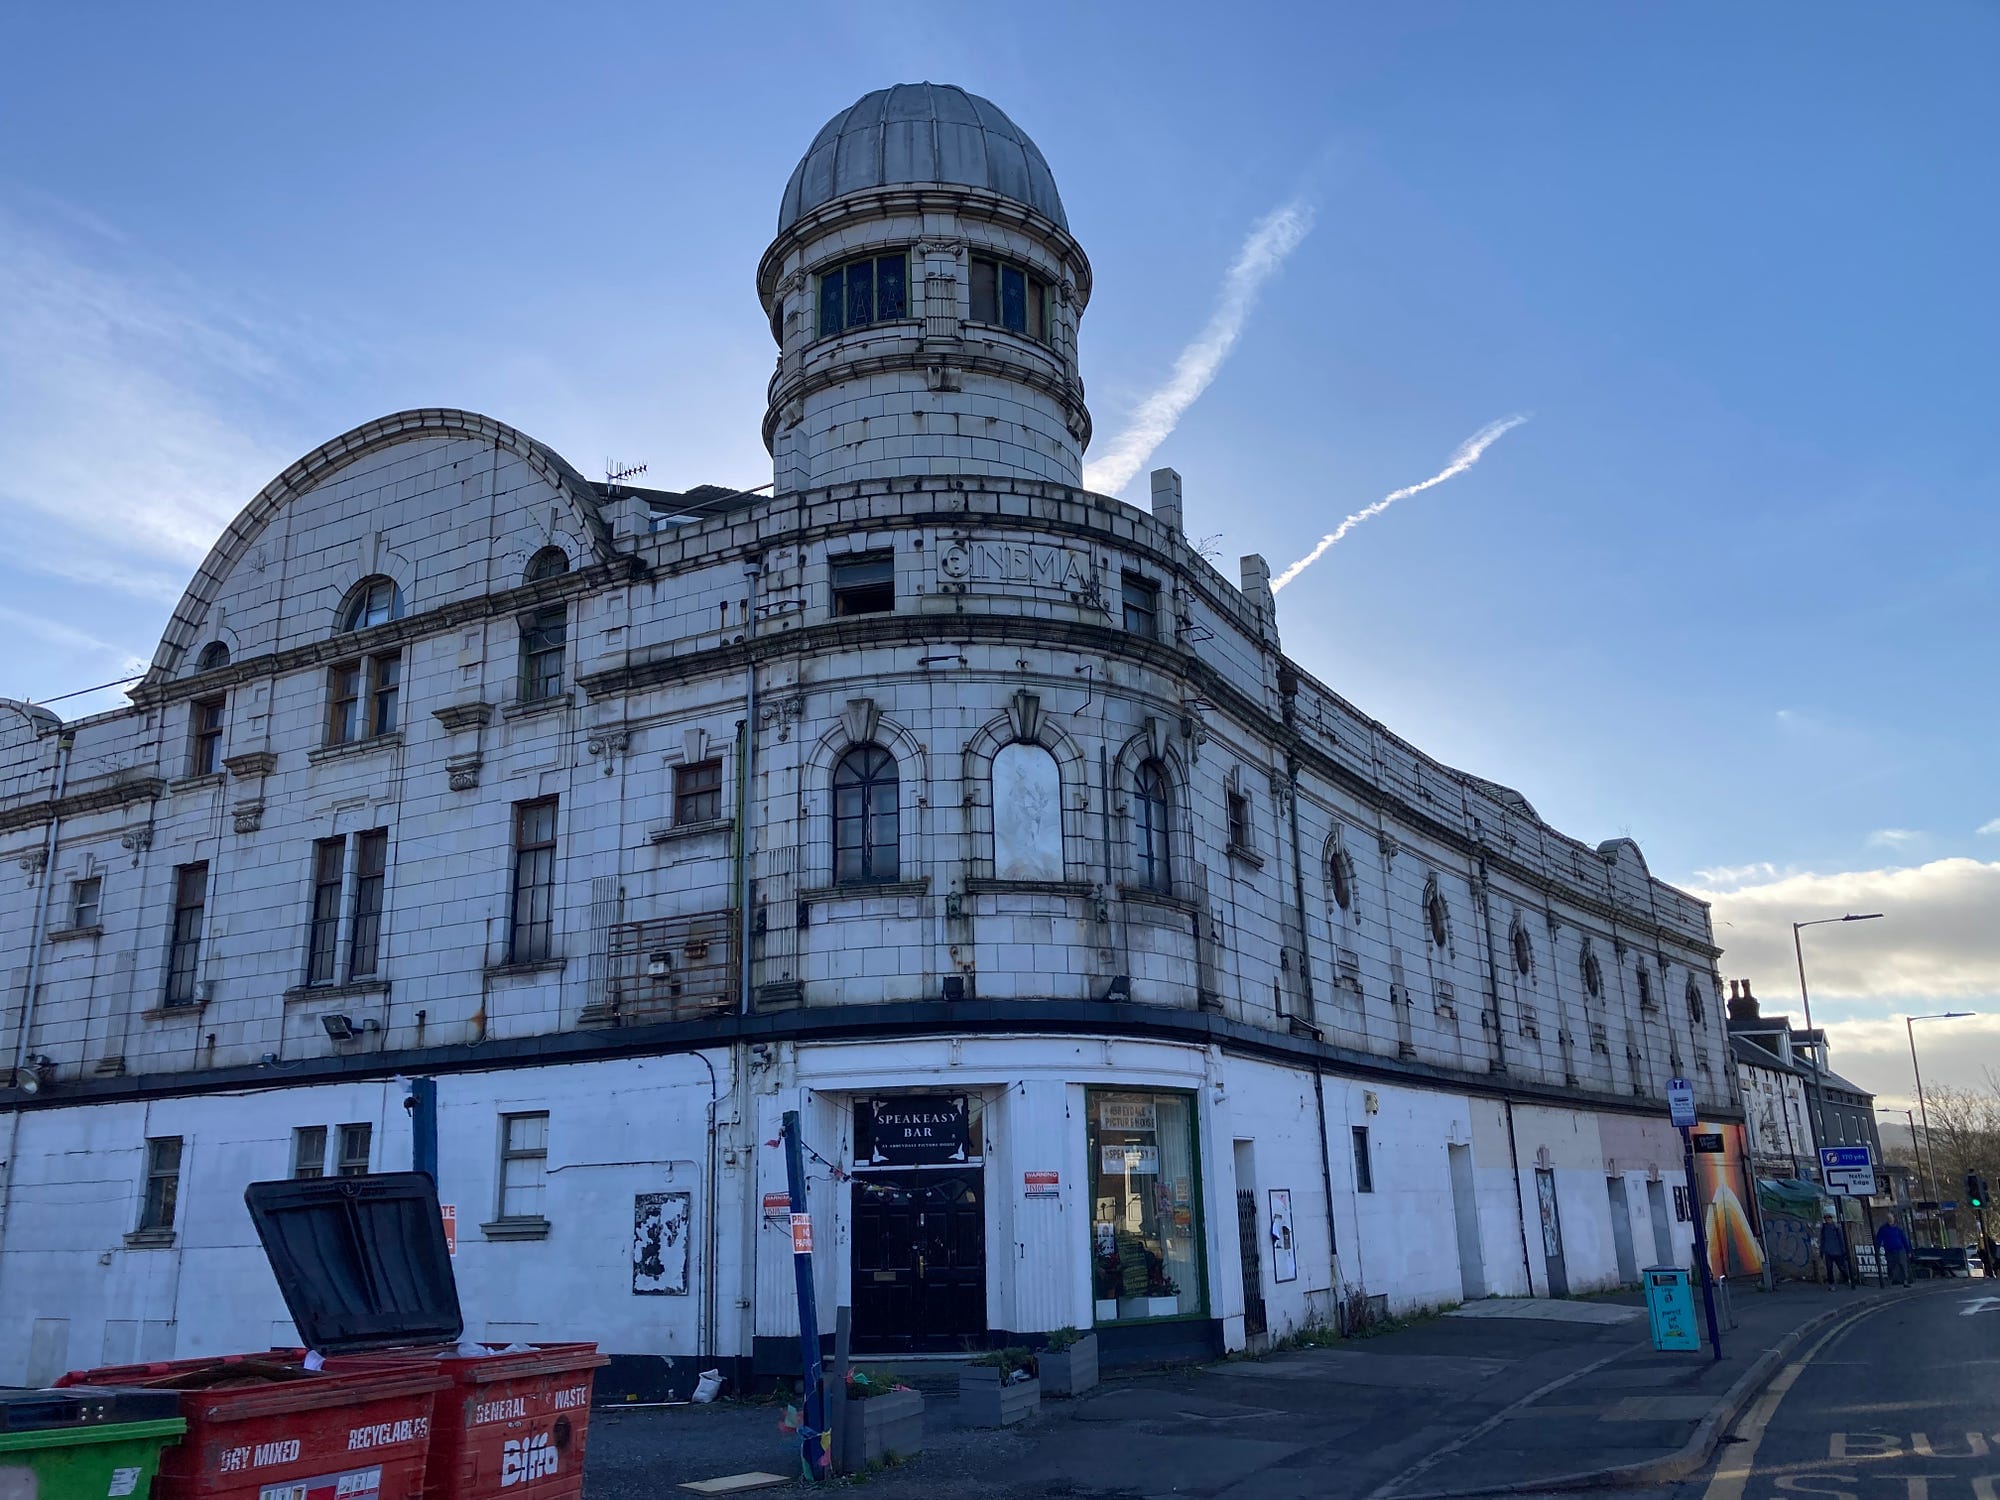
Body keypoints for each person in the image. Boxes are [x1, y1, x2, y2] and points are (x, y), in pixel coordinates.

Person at [1820, 1212, 1856, 1289]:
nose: (1827, 1220)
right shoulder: (1824, 1228)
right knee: (1829, 1269)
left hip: (1837, 1252)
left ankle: (1847, 1278)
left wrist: (1843, 1251)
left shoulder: (1836, 1227)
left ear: (1831, 1219)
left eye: (1828, 1218)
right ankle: (1831, 1284)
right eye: (1826, 1219)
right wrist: (1822, 1251)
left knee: (1841, 1267)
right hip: (1828, 1252)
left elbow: (1841, 1239)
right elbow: (1822, 1240)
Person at [1875, 1217, 1912, 1286]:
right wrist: (1877, 1250)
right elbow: (1878, 1240)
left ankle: (1905, 1281)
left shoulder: (1898, 1228)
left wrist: (1908, 1251)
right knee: (1890, 1266)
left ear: (1894, 1218)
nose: (1890, 1219)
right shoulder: (1883, 1229)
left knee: (1903, 1265)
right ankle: (1891, 1280)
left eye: (1891, 1217)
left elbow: (1904, 1239)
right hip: (1889, 1250)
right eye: (1888, 1217)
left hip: (1899, 1250)